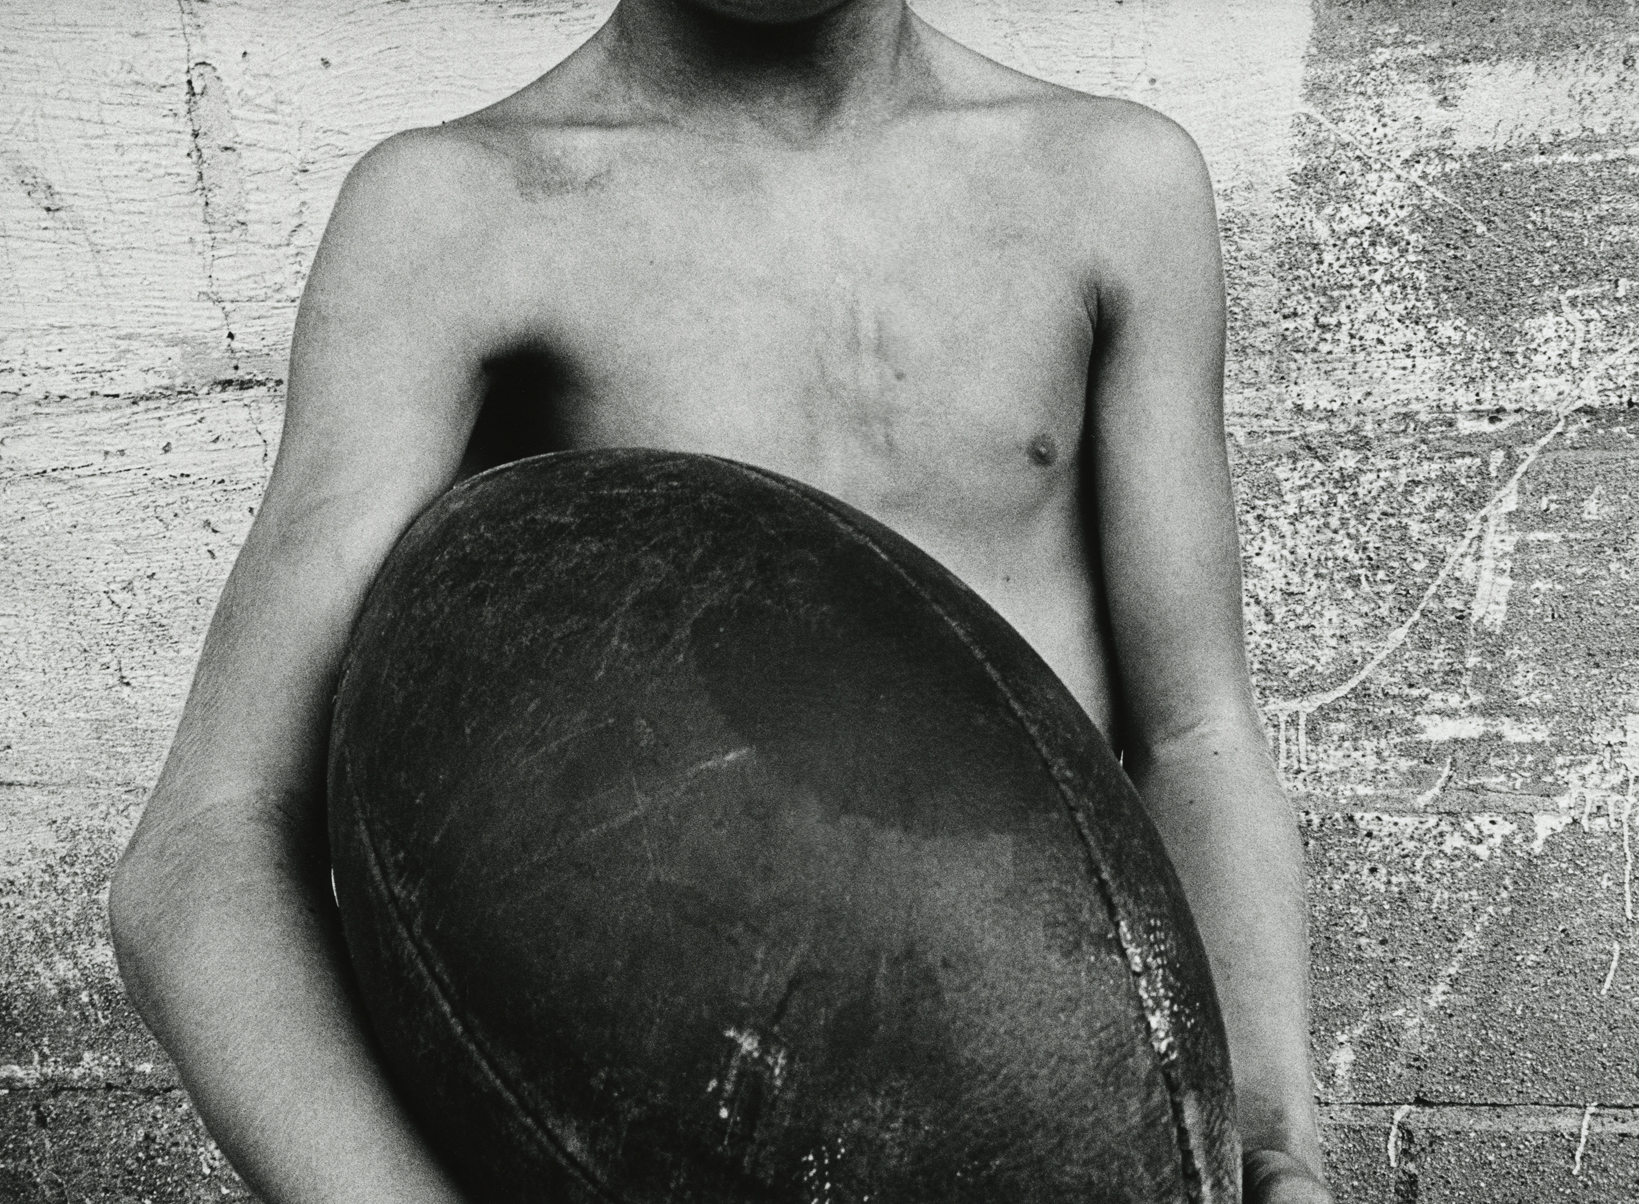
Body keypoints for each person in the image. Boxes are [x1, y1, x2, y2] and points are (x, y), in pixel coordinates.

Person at [108, 1, 1331, 1201]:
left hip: (1041, 1128)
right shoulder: (465, 215)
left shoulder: (1113, 186)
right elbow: (205, 845)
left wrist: (1270, 1140)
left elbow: (1195, 739)